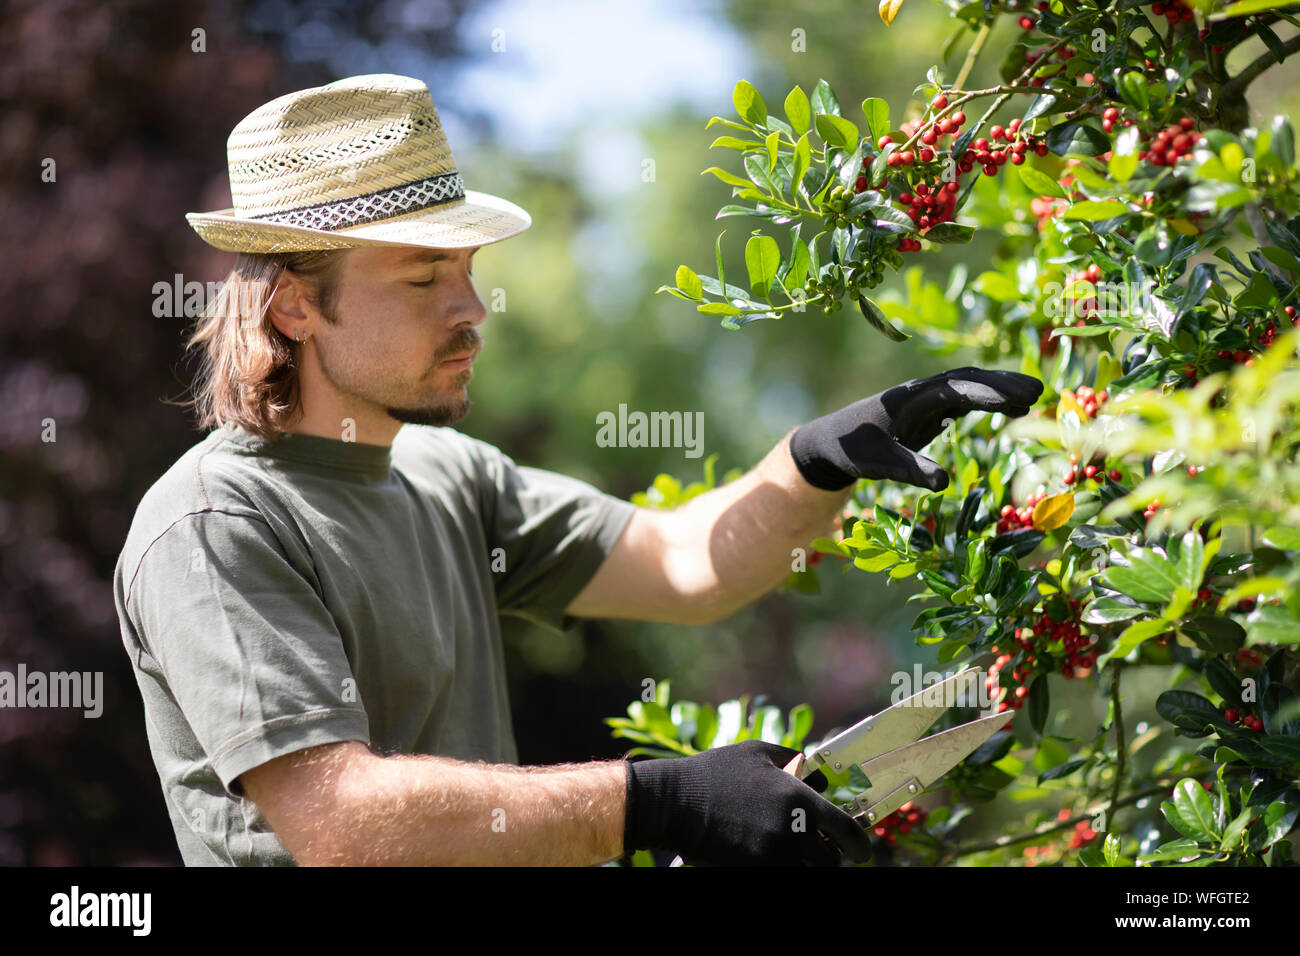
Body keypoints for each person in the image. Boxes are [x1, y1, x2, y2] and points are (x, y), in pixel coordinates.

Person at [113, 74, 1043, 867]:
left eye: (467, 269)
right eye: (422, 277)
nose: (473, 308)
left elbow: (685, 564)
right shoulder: (217, 524)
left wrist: (817, 460)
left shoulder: (447, 475)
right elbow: (340, 820)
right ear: (293, 308)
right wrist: (659, 801)